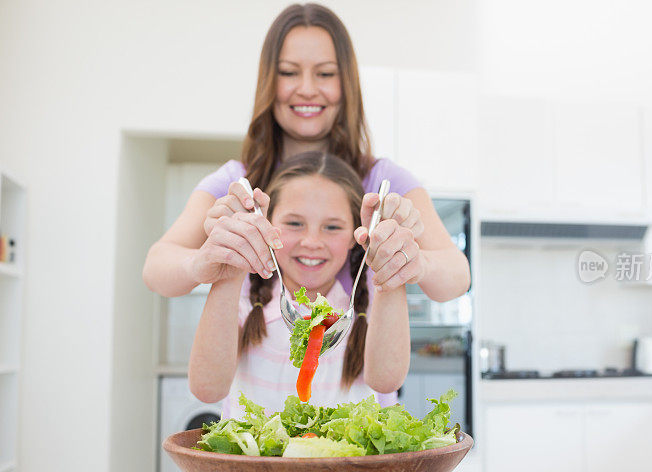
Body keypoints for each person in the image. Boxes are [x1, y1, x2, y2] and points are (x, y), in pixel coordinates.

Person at [142, 2, 470, 305]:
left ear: (347, 84)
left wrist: (417, 261)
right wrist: (201, 262)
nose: (308, 89)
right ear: (269, 81)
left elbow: (457, 277)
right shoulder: (236, 183)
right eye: (289, 72)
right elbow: (156, 269)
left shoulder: (385, 181)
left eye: (325, 74)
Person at [189, 151, 411, 417]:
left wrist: (390, 268)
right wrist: (230, 271)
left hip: (349, 459)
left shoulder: (374, 298)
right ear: (267, 224)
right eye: (294, 223)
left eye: (332, 227)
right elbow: (207, 389)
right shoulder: (243, 295)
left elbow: (387, 381)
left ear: (356, 234)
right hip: (255, 459)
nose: (312, 242)